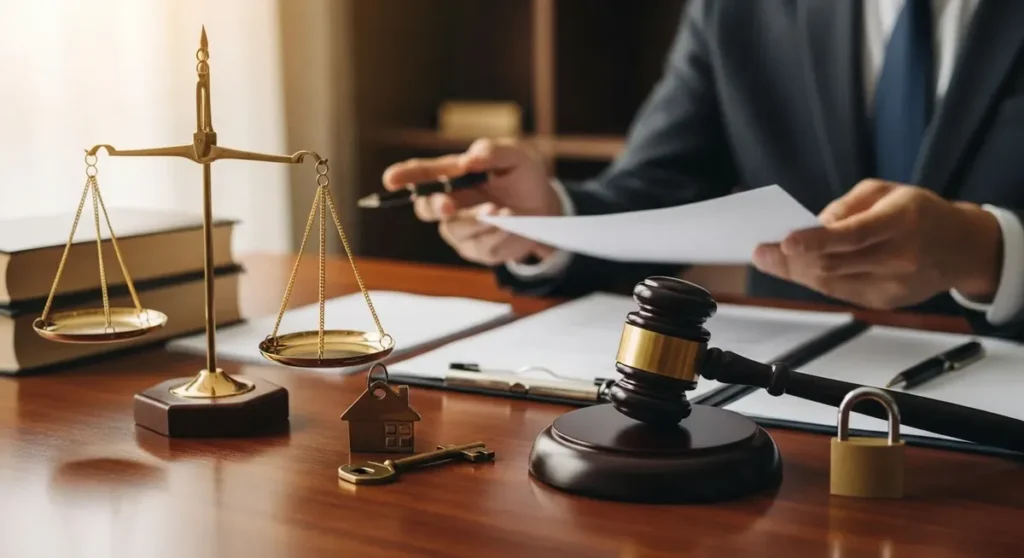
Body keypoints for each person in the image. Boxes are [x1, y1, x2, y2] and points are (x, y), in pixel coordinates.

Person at [381, 0, 1024, 340]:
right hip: (800, 400)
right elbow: (659, 188)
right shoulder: (735, 8)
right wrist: (548, 220)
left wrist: (989, 254)